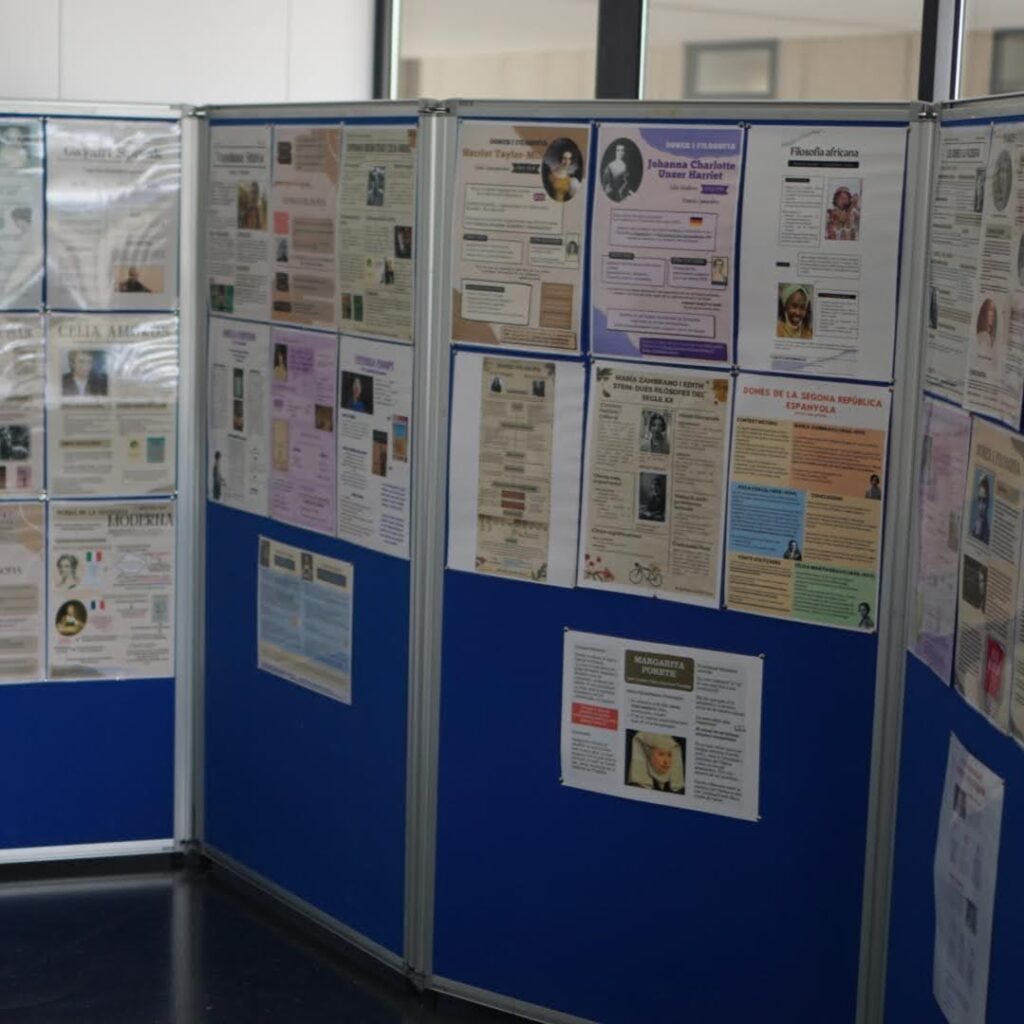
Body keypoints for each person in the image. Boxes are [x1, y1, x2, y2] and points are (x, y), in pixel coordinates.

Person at [970, 477, 991, 544]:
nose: (980, 507)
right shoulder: (973, 528)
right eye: (979, 499)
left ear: (988, 502)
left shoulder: (989, 535)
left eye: (984, 501)